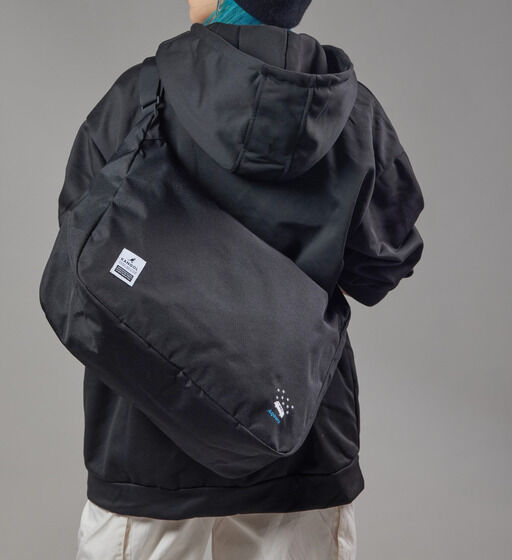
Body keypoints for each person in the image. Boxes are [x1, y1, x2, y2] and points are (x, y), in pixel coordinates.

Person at [58, 1, 425, 558]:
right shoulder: (353, 114)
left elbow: (83, 241)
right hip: (299, 444)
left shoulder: (140, 96)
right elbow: (383, 265)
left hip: (146, 453)